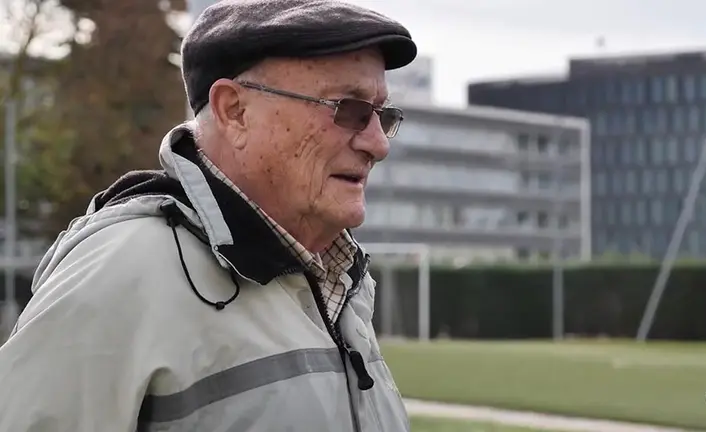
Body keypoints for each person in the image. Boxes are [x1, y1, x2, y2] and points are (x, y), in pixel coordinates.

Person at [0, 0, 417, 430]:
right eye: (349, 109)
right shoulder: (120, 275)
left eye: (382, 116)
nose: (378, 144)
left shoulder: (340, 281)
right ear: (234, 111)